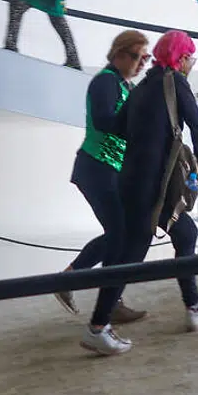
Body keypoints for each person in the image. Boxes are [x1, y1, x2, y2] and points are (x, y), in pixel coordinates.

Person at [81, 31, 198, 356]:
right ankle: (97, 327)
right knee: (133, 254)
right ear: (182, 58)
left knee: (183, 234)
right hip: (153, 185)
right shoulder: (175, 82)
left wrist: (148, 133)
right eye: (190, 58)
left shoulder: (143, 86)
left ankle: (194, 307)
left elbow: (117, 126)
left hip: (131, 180)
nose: (190, 64)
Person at [55, 30, 152, 323]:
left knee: (121, 234)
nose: (142, 63)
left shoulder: (124, 85)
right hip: (97, 167)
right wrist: (138, 129)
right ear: (118, 54)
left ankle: (91, 289)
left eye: (146, 57)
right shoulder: (106, 81)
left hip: (110, 169)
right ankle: (102, 297)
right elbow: (104, 121)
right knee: (120, 234)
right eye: (136, 56)